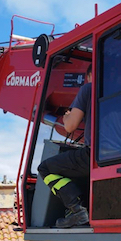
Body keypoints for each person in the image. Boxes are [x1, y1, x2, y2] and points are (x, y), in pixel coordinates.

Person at [37, 64, 92, 228]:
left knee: (46, 168)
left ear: (90, 76)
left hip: (95, 156)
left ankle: (78, 211)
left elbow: (70, 127)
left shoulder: (89, 88)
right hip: (119, 156)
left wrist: (67, 116)